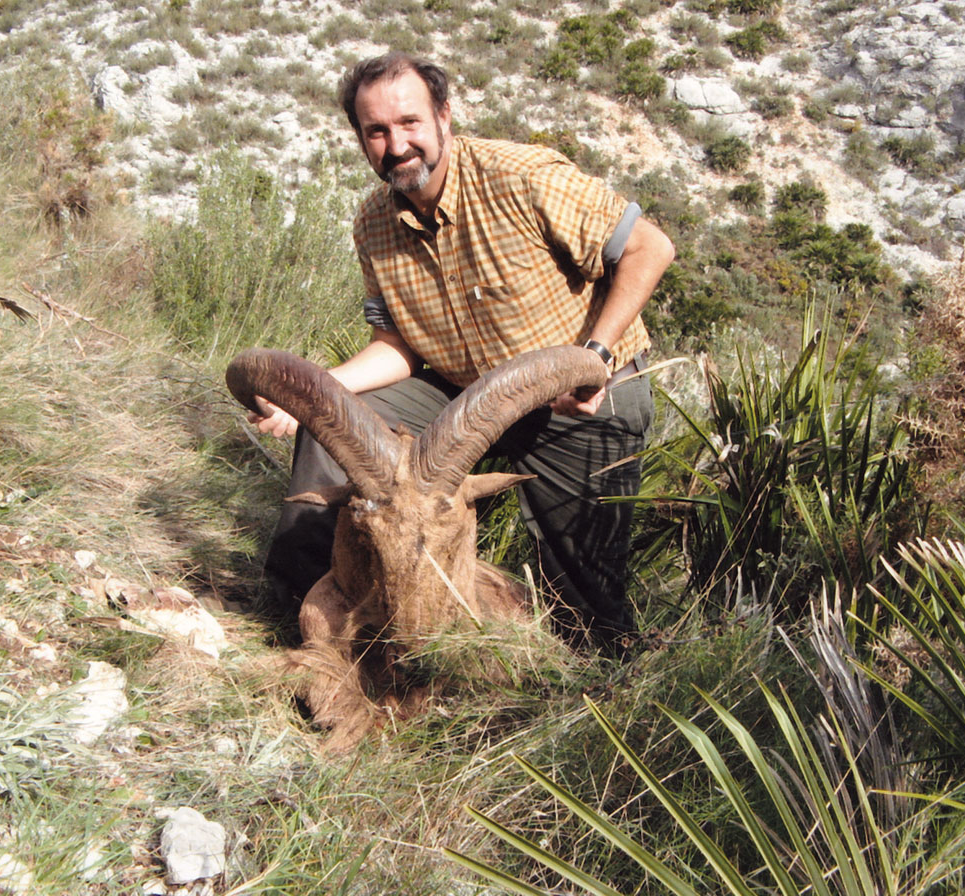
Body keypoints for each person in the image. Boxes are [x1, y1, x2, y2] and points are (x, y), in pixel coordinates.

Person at [249, 52, 675, 653]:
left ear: (444, 116)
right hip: (459, 395)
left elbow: (650, 249)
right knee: (332, 428)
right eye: (377, 131)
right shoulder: (374, 224)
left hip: (576, 398)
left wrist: (596, 357)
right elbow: (396, 347)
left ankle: (598, 674)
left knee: (583, 611)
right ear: (361, 139)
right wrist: (312, 395)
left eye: (410, 123)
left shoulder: (522, 177)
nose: (396, 145)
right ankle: (308, 622)